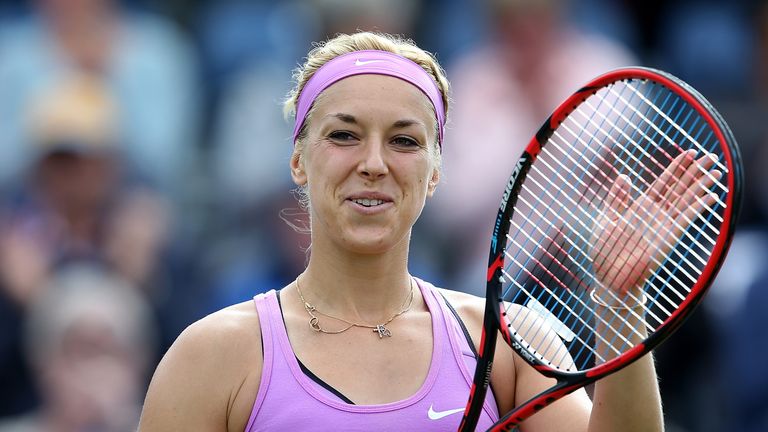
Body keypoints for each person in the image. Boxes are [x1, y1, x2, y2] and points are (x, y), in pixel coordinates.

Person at [139, 31, 668, 431]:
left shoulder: (509, 342)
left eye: (405, 141)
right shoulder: (212, 356)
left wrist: (622, 301)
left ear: (436, 171)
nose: (373, 163)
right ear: (298, 160)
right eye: (344, 135)